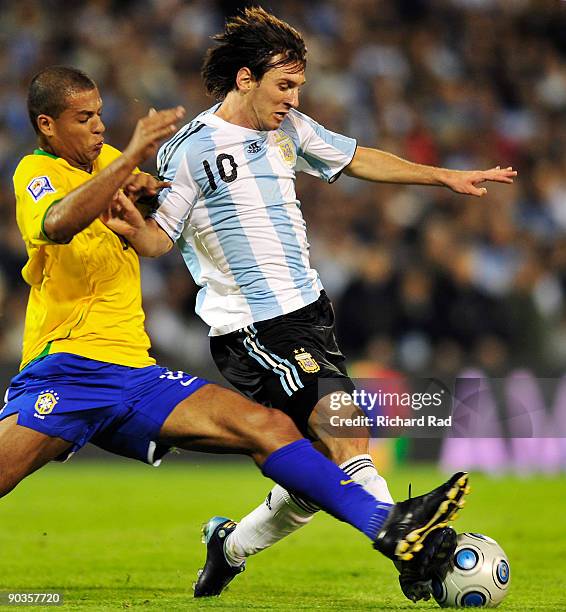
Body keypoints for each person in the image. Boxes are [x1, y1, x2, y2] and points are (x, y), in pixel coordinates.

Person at [0, 66, 471, 595]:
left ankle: (387, 526)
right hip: (66, 371)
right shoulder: (33, 173)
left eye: (101, 115)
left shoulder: (115, 163)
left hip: (135, 372)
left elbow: (154, 227)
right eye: (84, 118)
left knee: (271, 430)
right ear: (46, 124)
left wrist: (152, 190)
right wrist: (133, 159)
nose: (99, 128)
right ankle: (385, 524)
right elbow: (59, 223)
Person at [100, 6, 506, 601]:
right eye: (283, 85)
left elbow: (357, 157)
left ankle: (230, 546)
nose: (292, 97)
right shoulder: (191, 150)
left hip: (310, 314)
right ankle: (410, 548)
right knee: (347, 428)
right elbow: (161, 239)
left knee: (315, 469)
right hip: (253, 326)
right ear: (246, 79)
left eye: (298, 86)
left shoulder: (288, 127)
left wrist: (443, 176)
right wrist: (125, 222)